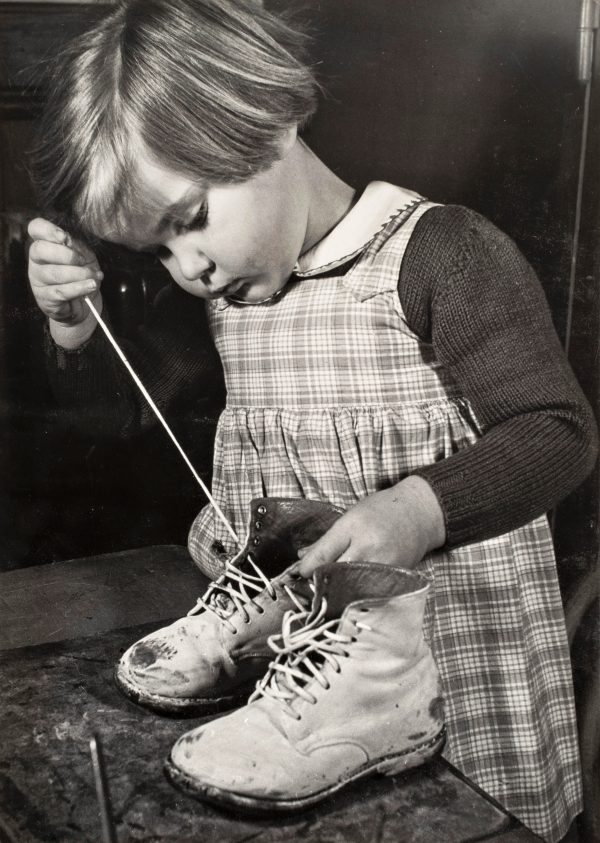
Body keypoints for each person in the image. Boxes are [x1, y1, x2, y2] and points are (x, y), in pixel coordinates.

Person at [26, 0, 597, 839]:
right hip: (304, 700)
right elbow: (124, 426)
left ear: (274, 121)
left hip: (454, 679)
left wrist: (415, 507)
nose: (189, 267)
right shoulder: (233, 296)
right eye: (156, 251)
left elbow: (557, 428)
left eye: (188, 221)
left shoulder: (439, 254)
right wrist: (75, 324)